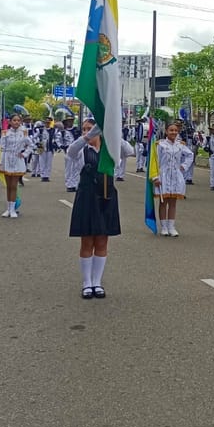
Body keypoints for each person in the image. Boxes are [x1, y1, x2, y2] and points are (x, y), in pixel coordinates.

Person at [68, 120, 121, 299]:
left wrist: (111, 133)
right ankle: (87, 282)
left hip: (106, 199)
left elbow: (129, 151)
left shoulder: (109, 152)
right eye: (83, 129)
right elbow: (70, 150)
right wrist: (88, 136)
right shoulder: (82, 152)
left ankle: (97, 282)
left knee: (102, 240)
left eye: (90, 128)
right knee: (87, 241)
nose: (86, 132)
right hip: (87, 198)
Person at [152, 121, 194, 237]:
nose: (173, 132)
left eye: (175, 130)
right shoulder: (159, 145)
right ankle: (164, 226)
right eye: (171, 130)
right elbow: (154, 161)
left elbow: (190, 155)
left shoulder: (180, 145)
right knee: (163, 202)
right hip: (163, 176)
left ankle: (171, 226)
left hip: (176, 176)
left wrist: (183, 166)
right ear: (166, 131)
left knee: (173, 202)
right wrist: (155, 177)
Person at [0, 113, 33, 218]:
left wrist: (24, 154)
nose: (16, 122)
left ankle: (13, 209)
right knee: (8, 186)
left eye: (18, 120)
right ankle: (8, 209)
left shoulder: (24, 133)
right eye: (14, 120)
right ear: (10, 122)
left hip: (17, 160)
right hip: (7, 160)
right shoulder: (5, 133)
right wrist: (0, 162)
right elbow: (2, 148)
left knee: (14, 186)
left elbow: (31, 145)